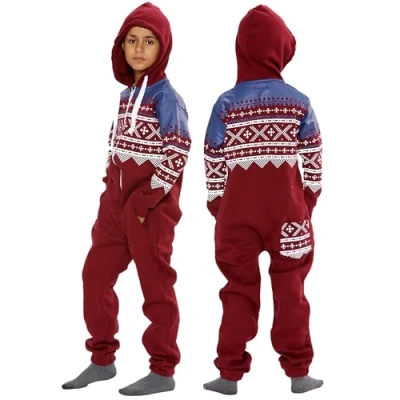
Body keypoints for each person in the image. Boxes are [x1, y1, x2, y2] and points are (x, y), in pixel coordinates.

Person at [62, 2, 191, 396]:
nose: (139, 48)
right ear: (121, 46)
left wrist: (145, 200)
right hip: (115, 208)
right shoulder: (125, 95)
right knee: (94, 275)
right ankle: (102, 360)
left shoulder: (167, 98)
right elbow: (115, 143)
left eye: (149, 42)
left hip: (150, 211)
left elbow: (178, 151)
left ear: (163, 48)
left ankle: (163, 369)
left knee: (156, 287)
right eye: (132, 40)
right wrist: (110, 188)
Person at [202, 4, 323, 395]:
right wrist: (306, 201)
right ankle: (298, 373)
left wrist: (219, 205)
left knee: (237, 289)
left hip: (236, 217)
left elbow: (212, 158)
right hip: (289, 214)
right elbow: (314, 158)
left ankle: (228, 374)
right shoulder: (298, 102)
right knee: (291, 289)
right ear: (281, 49)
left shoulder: (225, 104)